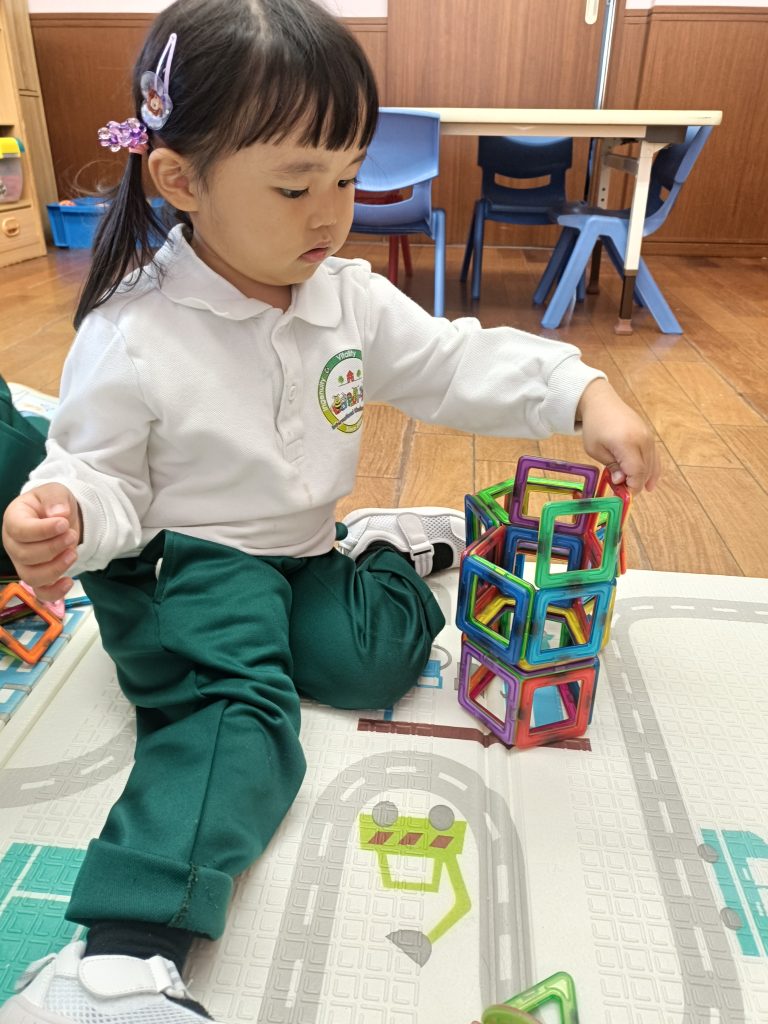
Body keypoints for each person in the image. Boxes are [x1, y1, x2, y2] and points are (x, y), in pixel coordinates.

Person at [0, 0, 659, 1020]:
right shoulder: (134, 332)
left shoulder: (343, 296)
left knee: (376, 659)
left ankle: (393, 544)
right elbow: (101, 473)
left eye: (348, 178)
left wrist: (581, 391)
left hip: (305, 549)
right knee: (238, 720)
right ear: (180, 180)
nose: (331, 213)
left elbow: (452, 363)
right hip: (186, 564)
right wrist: (68, 514)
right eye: (295, 185)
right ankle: (117, 956)